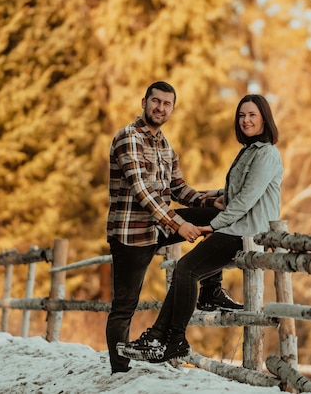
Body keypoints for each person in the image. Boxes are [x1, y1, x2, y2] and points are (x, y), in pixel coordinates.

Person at [117, 93, 283, 364]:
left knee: (185, 269)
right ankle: (146, 256)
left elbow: (244, 201)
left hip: (245, 232)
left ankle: (174, 340)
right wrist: (211, 198)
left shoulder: (267, 154)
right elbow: (235, 193)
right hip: (234, 224)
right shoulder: (249, 151)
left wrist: (210, 226)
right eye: (241, 115)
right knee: (174, 224)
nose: (245, 120)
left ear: (265, 118)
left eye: (252, 115)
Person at [106, 81, 243, 374]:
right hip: (131, 234)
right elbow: (143, 191)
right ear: (144, 101)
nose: (160, 108)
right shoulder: (127, 138)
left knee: (209, 215)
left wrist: (212, 199)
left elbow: (179, 189)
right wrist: (178, 224)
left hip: (157, 228)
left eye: (167, 104)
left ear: (172, 109)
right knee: (124, 306)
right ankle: (120, 372)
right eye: (156, 101)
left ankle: (210, 290)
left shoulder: (165, 146)